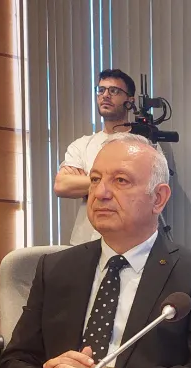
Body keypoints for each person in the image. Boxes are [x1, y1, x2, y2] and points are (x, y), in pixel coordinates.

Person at [0, 133, 191, 368]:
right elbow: (13, 364)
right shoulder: (55, 268)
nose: (100, 193)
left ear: (158, 198)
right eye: (95, 179)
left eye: (120, 181)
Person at [55, 68, 138, 245]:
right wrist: (120, 181)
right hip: (85, 242)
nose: (105, 95)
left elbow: (143, 187)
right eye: (101, 90)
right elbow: (62, 185)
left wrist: (88, 181)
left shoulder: (143, 144)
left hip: (130, 243)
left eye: (114, 91)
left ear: (130, 100)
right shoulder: (82, 145)